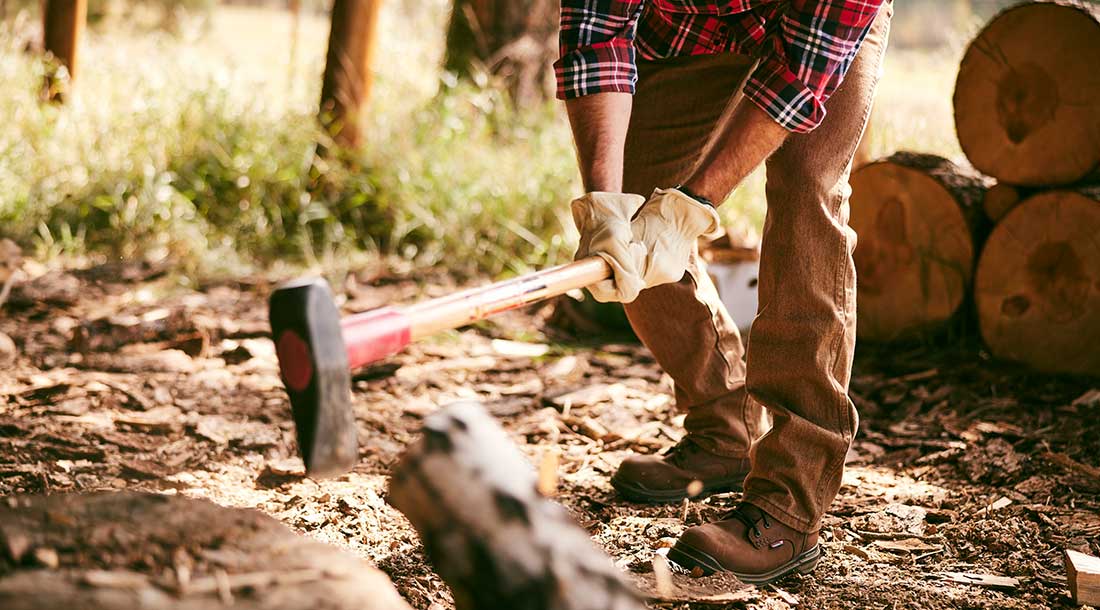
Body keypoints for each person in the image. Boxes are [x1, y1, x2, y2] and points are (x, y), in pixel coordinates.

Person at [555, 0, 893, 584]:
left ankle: (788, 504)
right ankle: (725, 427)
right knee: (636, 211)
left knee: (806, 193)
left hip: (812, 41)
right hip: (688, 29)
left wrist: (691, 208)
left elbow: (797, 75)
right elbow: (597, 32)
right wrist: (606, 202)